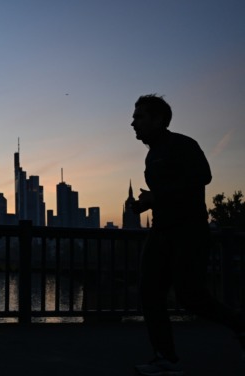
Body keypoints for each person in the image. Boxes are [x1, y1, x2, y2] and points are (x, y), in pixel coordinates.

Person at [130, 94, 245, 375]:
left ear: (159, 120)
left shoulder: (182, 144)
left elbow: (201, 177)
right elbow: (167, 193)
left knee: (191, 296)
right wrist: (146, 202)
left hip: (189, 232)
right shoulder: (152, 153)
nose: (133, 123)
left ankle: (242, 327)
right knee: (150, 293)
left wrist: (156, 196)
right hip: (161, 232)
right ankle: (165, 358)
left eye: (140, 117)